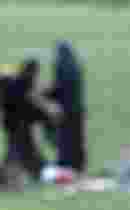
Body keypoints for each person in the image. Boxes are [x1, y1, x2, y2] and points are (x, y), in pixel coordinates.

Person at [0, 58, 60, 189]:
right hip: (19, 125)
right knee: (19, 152)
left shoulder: (14, 82)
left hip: (11, 124)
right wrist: (47, 116)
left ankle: (4, 178)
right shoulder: (24, 85)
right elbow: (31, 106)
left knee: (18, 151)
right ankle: (5, 179)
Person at [44, 40, 88, 174]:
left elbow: (59, 88)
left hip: (65, 110)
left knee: (65, 138)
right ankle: (78, 164)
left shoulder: (60, 66)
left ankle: (65, 162)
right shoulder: (76, 66)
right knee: (77, 138)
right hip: (78, 109)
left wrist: (45, 93)